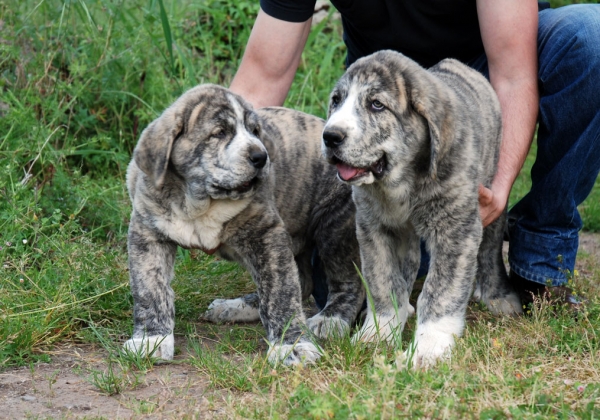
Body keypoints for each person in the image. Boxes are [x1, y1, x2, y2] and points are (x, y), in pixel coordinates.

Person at [229, 0, 600, 308]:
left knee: (588, 36)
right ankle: (418, 254)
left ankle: (540, 263)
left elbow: (513, 75)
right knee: (339, 288)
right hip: (376, 105)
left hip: (479, 77)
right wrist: (225, 175)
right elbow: (263, 77)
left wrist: (495, 189)